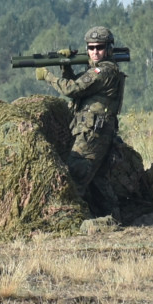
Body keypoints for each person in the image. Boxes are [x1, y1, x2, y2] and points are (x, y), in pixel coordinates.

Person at [36, 26, 126, 218]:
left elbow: (72, 89)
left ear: (109, 49)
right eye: (91, 48)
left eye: (99, 47)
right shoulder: (97, 71)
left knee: (75, 174)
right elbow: (80, 88)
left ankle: (71, 218)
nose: (95, 51)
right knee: (98, 180)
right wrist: (65, 67)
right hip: (94, 132)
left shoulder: (104, 71)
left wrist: (48, 77)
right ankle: (113, 218)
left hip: (93, 134)